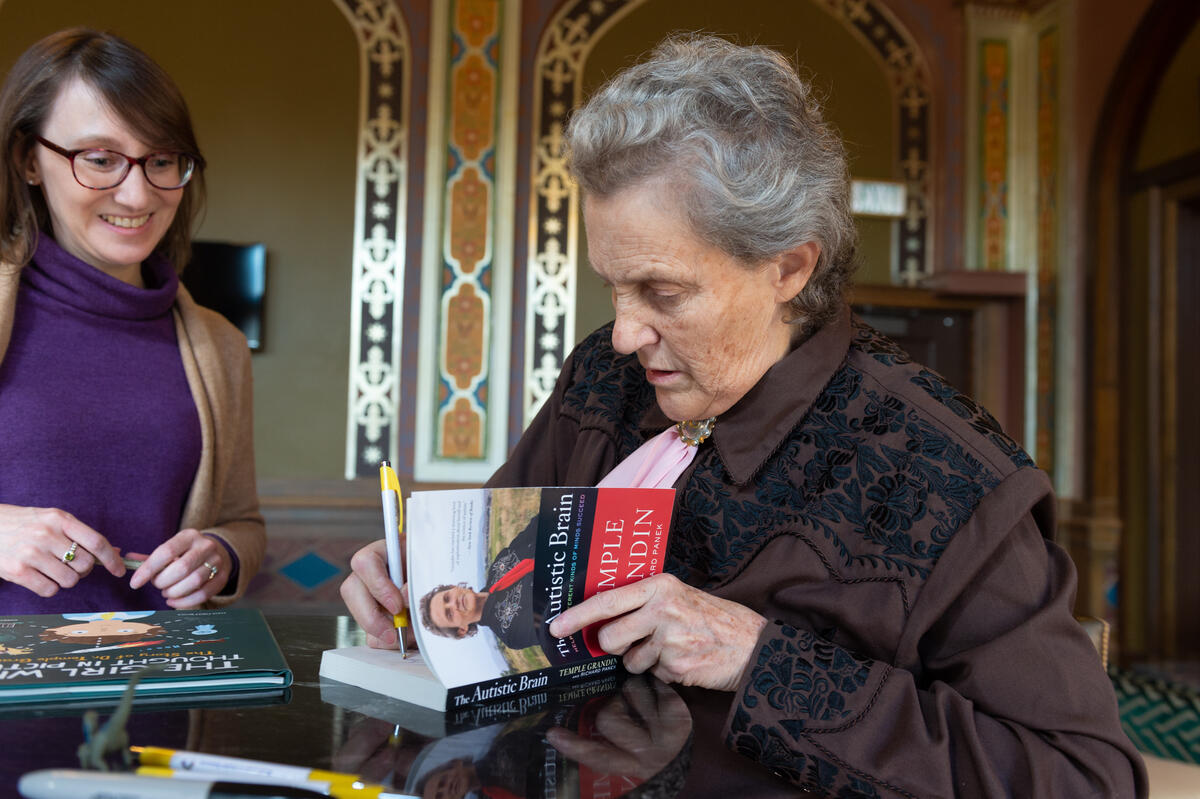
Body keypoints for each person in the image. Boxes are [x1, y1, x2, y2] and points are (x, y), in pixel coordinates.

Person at [341, 34, 1145, 796]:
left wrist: (759, 660)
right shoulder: (605, 377)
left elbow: (1082, 778)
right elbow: (496, 585)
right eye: (612, 286)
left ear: (789, 266)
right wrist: (418, 578)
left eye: (662, 292)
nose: (624, 332)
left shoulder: (936, 475)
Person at [0, 28, 264, 612]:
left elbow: (241, 522)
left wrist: (219, 556)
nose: (138, 194)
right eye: (100, 159)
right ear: (28, 160)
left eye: (162, 159)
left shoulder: (218, 345)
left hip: (153, 693)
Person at [418, 514, 538, 649]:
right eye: (449, 614)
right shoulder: (511, 633)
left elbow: (536, 527)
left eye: (447, 598)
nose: (454, 604)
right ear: (461, 630)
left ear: (453, 587)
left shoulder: (498, 566)